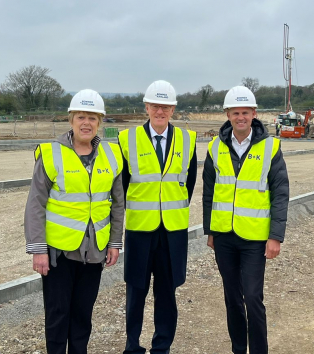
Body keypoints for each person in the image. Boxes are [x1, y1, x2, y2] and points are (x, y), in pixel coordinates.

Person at [23, 89, 125, 354]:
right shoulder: (50, 154)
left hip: (94, 251)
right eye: (81, 116)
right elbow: (36, 204)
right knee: (58, 314)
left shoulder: (112, 156)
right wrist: (38, 249)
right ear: (71, 120)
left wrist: (114, 243)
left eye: (92, 117)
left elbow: (117, 204)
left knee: (82, 314)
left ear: (99, 122)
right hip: (59, 252)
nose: (86, 123)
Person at [202, 85, 290, 354]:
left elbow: (281, 193)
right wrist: (210, 231)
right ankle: (239, 349)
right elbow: (209, 192)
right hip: (225, 237)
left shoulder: (270, 147)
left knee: (252, 297)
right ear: (228, 114)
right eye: (235, 112)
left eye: (245, 112)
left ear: (254, 113)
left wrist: (275, 236)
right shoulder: (215, 147)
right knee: (232, 299)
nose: (240, 117)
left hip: (254, 238)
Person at [119, 80, 197, 354]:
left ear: (173, 109)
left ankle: (161, 346)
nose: (160, 111)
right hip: (141, 231)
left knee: (166, 293)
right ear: (147, 107)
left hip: (172, 232)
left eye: (165, 106)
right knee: (135, 292)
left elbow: (188, 184)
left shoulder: (188, 140)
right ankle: (132, 345)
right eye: (155, 106)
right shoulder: (126, 139)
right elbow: (123, 186)